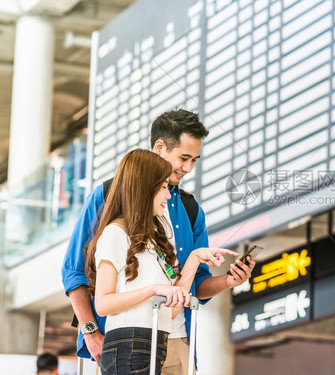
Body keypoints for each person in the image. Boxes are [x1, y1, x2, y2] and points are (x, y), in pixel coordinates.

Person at [61, 109, 256, 374]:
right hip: (120, 339)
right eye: (184, 158)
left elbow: (192, 285)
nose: (188, 168)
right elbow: (75, 272)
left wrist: (227, 281)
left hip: (176, 337)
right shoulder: (109, 196)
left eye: (195, 160)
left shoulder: (190, 209)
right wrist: (91, 333)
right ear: (160, 147)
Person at [85, 149, 237, 375]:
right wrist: (153, 290)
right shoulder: (114, 233)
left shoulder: (155, 242)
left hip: (157, 341)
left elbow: (172, 311)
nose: (168, 195)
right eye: (163, 187)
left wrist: (195, 258)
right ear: (145, 187)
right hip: (128, 346)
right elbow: (103, 304)